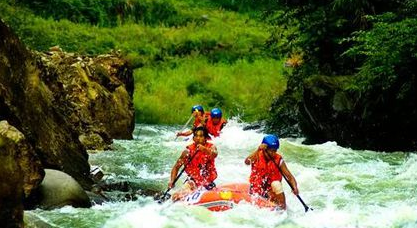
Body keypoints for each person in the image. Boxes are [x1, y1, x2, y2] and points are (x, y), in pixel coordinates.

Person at [244, 134, 299, 210]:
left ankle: (282, 209)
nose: (273, 153)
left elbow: (289, 176)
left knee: (276, 184)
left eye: (275, 151)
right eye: (271, 151)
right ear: (264, 149)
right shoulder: (257, 155)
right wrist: (258, 150)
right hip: (256, 189)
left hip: (270, 191)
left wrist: (295, 187)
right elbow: (247, 162)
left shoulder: (278, 159)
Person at [169, 126, 218, 200]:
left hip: (207, 181)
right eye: (196, 136)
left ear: (205, 138)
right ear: (193, 138)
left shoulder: (211, 147)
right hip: (193, 181)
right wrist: (172, 181)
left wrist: (204, 149)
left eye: (201, 136)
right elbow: (176, 167)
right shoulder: (187, 152)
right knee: (176, 197)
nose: (198, 138)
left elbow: (214, 154)